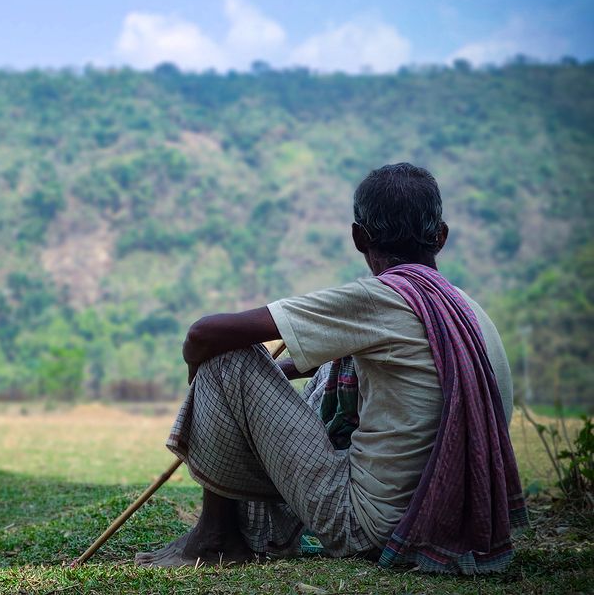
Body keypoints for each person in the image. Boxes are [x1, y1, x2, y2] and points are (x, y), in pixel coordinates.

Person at [136, 163, 527, 574]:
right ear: (441, 236)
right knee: (336, 364)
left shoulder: (382, 300)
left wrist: (213, 391)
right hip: (445, 515)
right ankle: (229, 526)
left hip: (373, 526)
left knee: (224, 357)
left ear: (359, 237)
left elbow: (202, 336)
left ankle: (217, 537)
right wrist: (274, 376)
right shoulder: (462, 310)